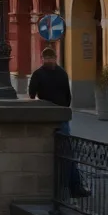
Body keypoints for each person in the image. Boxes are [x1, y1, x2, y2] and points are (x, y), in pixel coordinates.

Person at [29, 47, 89, 198]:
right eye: (49, 59)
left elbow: (31, 94)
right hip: (61, 116)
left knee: (58, 153)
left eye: (49, 58)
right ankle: (73, 186)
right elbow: (68, 97)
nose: (49, 61)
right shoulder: (61, 73)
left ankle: (64, 186)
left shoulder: (38, 74)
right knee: (67, 153)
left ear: (43, 59)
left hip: (47, 116)